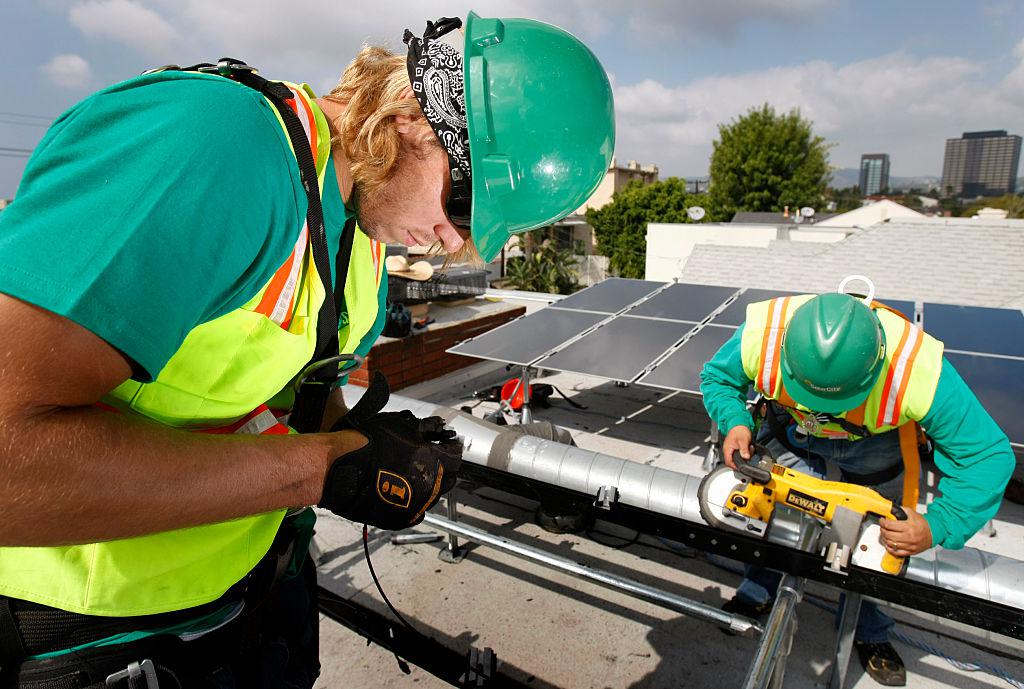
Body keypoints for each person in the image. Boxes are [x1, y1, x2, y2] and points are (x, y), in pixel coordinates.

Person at [0, 12, 614, 688]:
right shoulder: (216, 150)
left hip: (253, 598)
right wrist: (318, 470)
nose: (451, 240)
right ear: (414, 111)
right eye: (464, 203)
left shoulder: (362, 242)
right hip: (93, 626)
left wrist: (361, 442)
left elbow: (277, 410)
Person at [700, 286, 1014, 687]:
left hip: (873, 447)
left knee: (878, 544)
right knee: (763, 511)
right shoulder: (763, 334)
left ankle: (869, 630)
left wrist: (940, 524)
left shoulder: (915, 369)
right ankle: (758, 587)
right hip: (789, 428)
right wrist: (736, 422)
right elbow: (718, 378)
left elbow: (987, 456)